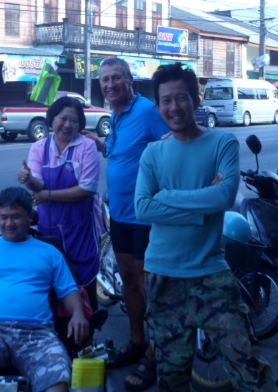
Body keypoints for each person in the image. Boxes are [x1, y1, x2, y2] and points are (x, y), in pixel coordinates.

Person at [135, 63, 276, 392]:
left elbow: (225, 196)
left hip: (211, 274)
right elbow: (142, 207)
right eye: (165, 101)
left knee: (249, 366)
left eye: (181, 98)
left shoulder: (222, 143)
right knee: (171, 376)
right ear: (158, 106)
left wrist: (166, 196)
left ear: (195, 100)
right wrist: (201, 210)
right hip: (162, 275)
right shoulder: (153, 153)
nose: (174, 107)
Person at [0, 187, 89, 392]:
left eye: (15, 217)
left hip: (37, 333)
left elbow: (68, 290)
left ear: (31, 216)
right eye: (3, 217)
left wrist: (77, 313)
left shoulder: (50, 253)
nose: (9, 223)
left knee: (58, 377)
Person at [85, 57, 169, 391]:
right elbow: (127, 154)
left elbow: (170, 147)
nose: (109, 85)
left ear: (129, 79)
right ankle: (137, 341)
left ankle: (154, 352)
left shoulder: (148, 110)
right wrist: (102, 145)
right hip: (119, 216)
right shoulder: (117, 115)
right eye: (104, 80)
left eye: (115, 78)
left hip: (146, 219)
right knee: (129, 283)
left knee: (151, 287)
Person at [18, 95, 101, 309]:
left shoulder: (86, 147)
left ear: (80, 124)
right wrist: (29, 180)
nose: (67, 125)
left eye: (74, 121)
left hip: (80, 229)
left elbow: (87, 188)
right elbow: (39, 185)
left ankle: (87, 333)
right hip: (47, 229)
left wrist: (49, 195)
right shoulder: (39, 147)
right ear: (52, 119)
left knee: (84, 284)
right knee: (52, 286)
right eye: (63, 118)